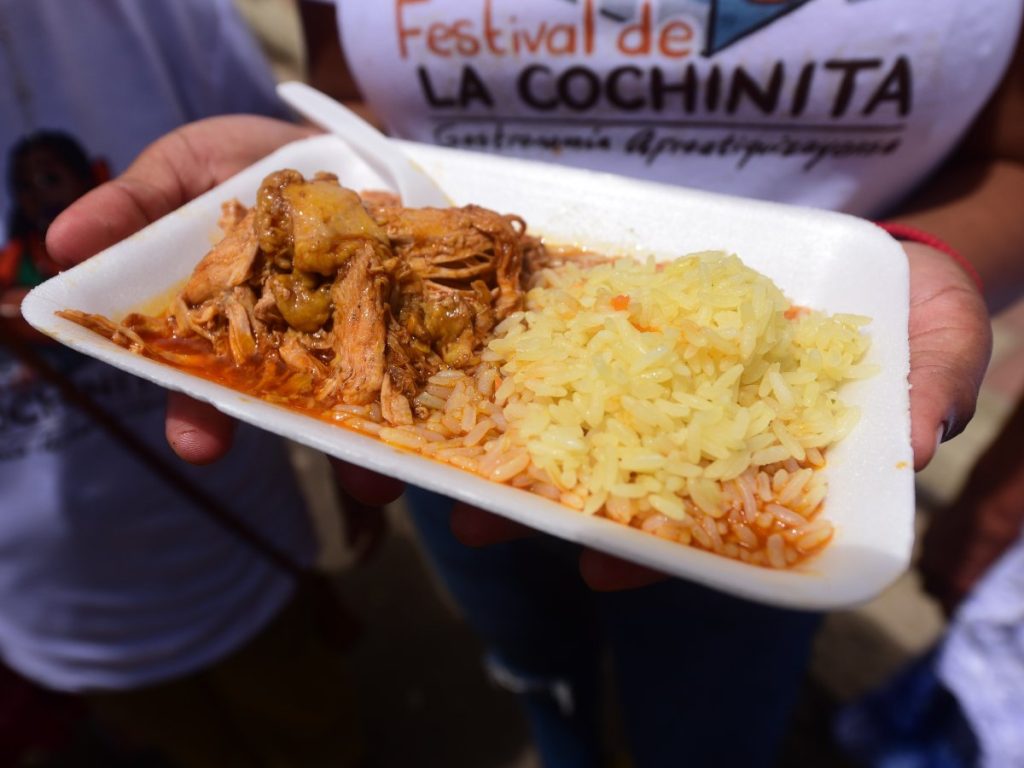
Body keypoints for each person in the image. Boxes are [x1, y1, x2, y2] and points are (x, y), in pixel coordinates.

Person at [46, 1, 1024, 765]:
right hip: (456, 458)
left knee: (710, 724)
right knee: (529, 661)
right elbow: (357, 94)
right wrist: (320, 167)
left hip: (745, 413)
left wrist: (913, 258)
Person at [0, 2, 364, 766]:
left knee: (313, 726)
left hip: (243, 546)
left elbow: (289, 166)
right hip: (51, 605)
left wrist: (349, 474)